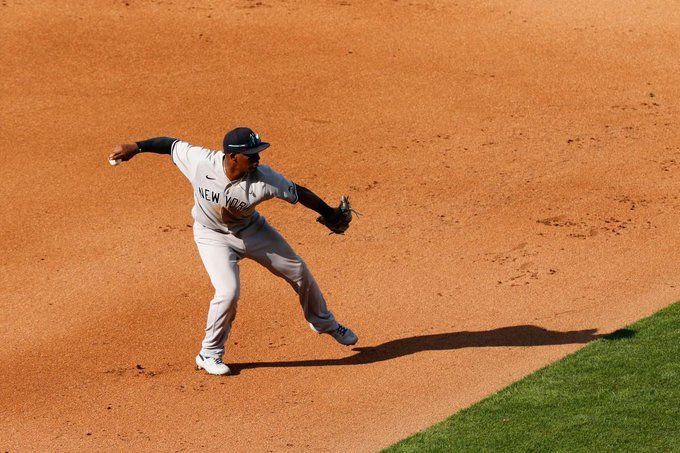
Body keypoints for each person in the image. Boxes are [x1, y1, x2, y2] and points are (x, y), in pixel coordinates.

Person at [109, 127, 357, 375]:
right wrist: (136, 147)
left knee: (299, 271)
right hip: (211, 236)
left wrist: (329, 213)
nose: (258, 160)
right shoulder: (201, 162)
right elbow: (170, 144)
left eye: (258, 153)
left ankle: (323, 322)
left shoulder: (264, 177)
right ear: (232, 156)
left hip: (252, 231)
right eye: (252, 155)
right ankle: (209, 353)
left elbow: (298, 192)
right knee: (228, 292)